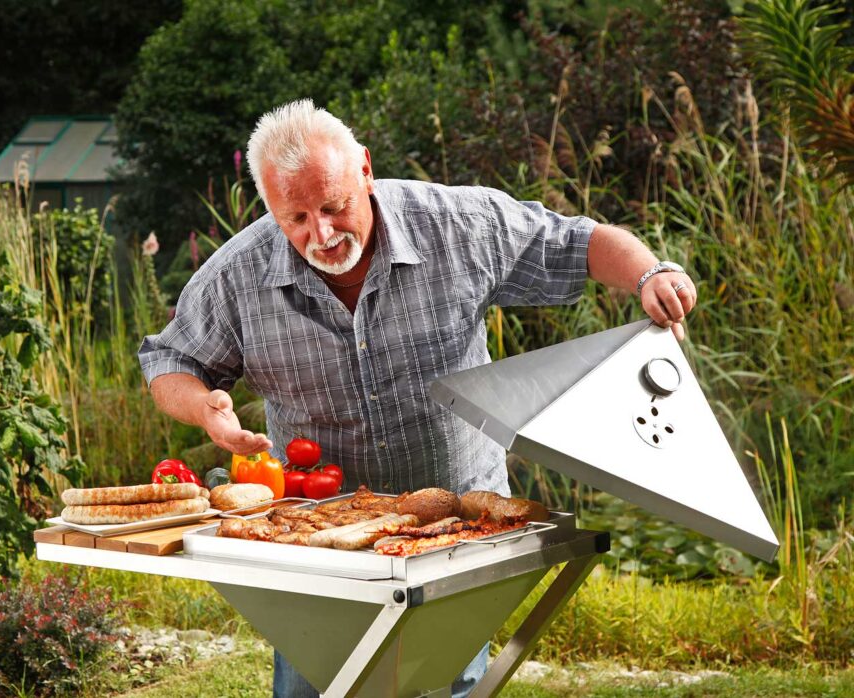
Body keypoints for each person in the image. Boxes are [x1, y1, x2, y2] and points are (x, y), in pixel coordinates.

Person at [138, 98, 697, 696]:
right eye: (295, 218)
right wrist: (206, 410)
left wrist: (650, 274)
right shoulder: (238, 273)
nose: (321, 234)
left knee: (446, 681)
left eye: (334, 207)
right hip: (319, 543)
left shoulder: (458, 225)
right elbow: (171, 360)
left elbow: (576, 243)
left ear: (365, 169)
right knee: (318, 684)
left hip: (457, 533)